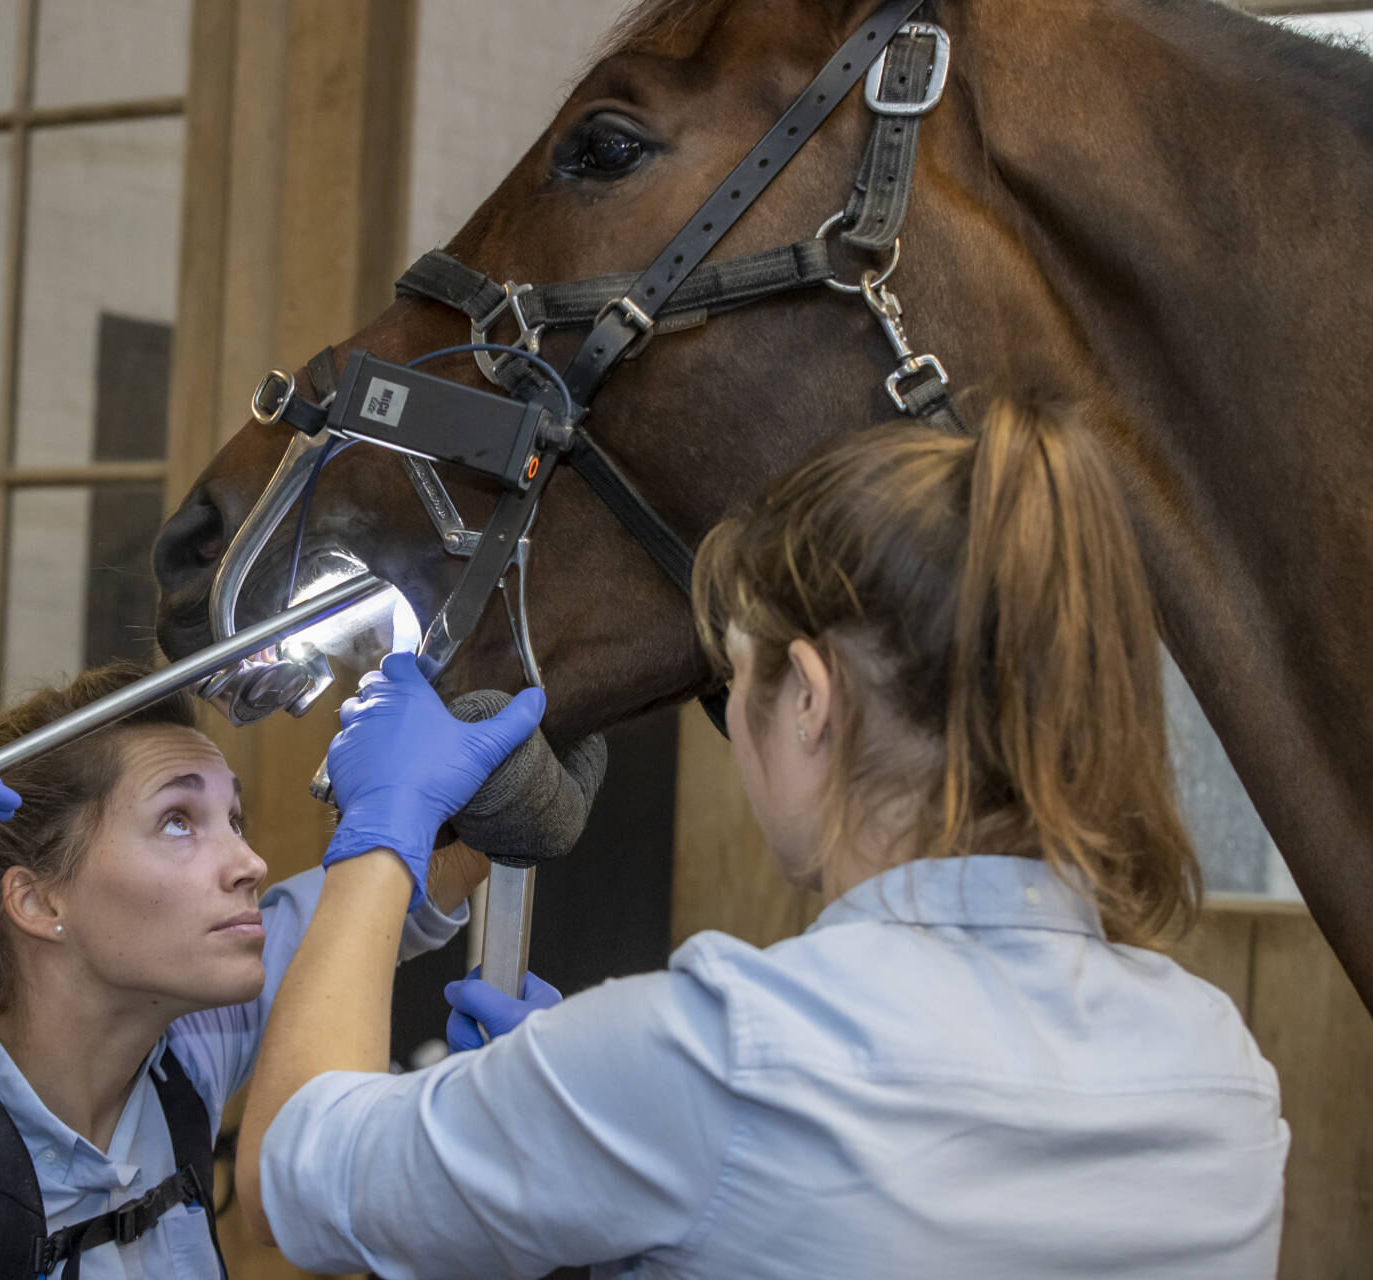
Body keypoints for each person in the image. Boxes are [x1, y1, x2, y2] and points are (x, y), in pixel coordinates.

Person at [236, 404, 1290, 1279]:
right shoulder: (1222, 1071)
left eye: (735, 681)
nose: (735, 721)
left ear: (811, 703)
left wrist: (383, 829)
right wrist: (584, 1134)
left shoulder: (719, 1053)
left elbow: (290, 1176)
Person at [0, 661, 542, 1280]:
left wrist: (530, 760)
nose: (248, 862)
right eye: (177, 822)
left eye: (232, 817)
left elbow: (390, 897)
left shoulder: (188, 1033)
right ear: (38, 902)